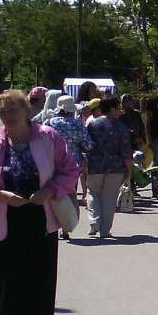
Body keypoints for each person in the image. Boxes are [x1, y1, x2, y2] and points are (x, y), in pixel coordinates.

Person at [0, 90, 79, 315]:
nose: (7, 116)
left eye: (12, 110)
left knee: (40, 273)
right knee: (9, 275)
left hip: (40, 215)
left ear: (26, 111)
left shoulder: (48, 137)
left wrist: (49, 191)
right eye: (3, 112)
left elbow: (70, 170)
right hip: (5, 215)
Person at [44, 94, 92, 236]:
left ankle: (53, 226)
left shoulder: (49, 123)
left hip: (50, 165)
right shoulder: (77, 124)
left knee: (52, 195)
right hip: (72, 166)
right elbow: (89, 145)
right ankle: (66, 228)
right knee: (69, 196)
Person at [84, 96, 131, 238]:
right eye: (117, 108)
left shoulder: (92, 124)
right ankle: (105, 230)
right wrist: (128, 170)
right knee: (109, 198)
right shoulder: (121, 126)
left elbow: (87, 145)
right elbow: (126, 150)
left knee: (93, 192)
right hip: (115, 166)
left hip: (95, 165)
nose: (119, 111)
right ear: (112, 109)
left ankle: (94, 221)